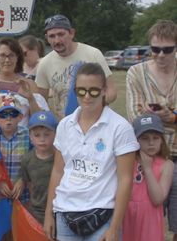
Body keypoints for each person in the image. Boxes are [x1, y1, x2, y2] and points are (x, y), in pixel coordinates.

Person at [43, 63, 139, 241]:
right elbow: (57, 171)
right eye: (81, 91)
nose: (87, 97)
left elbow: (125, 179)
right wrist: (49, 214)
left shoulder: (120, 127)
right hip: (65, 212)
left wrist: (115, 227)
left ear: (104, 91)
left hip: (102, 214)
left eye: (93, 91)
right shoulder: (65, 125)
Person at [35, 14, 117, 120]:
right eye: (52, 36)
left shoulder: (92, 54)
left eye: (61, 34)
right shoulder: (44, 63)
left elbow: (111, 92)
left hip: (96, 121)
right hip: (65, 126)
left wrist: (92, 104)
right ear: (47, 38)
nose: (57, 40)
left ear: (72, 33)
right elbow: (41, 101)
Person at [0, 37, 49, 127]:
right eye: (3, 55)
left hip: (22, 139)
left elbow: (40, 121)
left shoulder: (29, 85)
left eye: (11, 55)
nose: (7, 60)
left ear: (17, 57)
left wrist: (31, 99)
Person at [126, 20, 176, 157]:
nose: (160, 54)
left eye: (167, 50)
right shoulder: (136, 73)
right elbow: (135, 118)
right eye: (155, 49)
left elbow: (142, 119)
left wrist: (170, 117)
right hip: (151, 157)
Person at [122, 114, 174, 241]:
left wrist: (148, 168)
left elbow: (157, 199)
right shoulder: (126, 161)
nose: (151, 143)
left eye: (155, 138)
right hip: (127, 217)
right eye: (145, 138)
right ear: (135, 139)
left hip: (150, 221)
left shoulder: (167, 165)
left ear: (162, 140)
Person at [0, 94, 31, 206]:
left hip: (22, 196)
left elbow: (33, 162)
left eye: (13, 114)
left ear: (21, 117)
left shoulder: (28, 136)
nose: (8, 118)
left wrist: (23, 180)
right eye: (3, 114)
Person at [19, 110, 58, 224]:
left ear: (55, 134)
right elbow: (30, 185)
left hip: (58, 210)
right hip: (36, 211)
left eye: (47, 134)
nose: (42, 139)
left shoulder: (60, 158)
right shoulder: (27, 159)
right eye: (37, 135)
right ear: (30, 136)